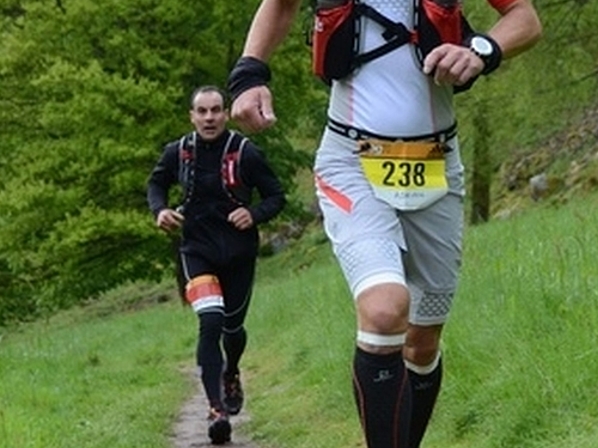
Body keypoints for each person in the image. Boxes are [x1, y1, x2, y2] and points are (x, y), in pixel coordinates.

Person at [227, 0, 541, 447]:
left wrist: (481, 50)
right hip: (351, 162)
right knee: (384, 307)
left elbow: (526, 19)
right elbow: (280, 5)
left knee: (422, 341)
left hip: (436, 162)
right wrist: (249, 76)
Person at [146, 85, 286, 445]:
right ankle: (215, 409)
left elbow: (276, 196)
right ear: (192, 116)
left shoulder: (245, 152)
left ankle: (232, 371)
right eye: (202, 111)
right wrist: (160, 210)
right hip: (196, 251)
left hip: (238, 254)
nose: (209, 118)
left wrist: (253, 213)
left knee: (232, 329)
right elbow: (156, 183)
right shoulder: (178, 152)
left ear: (225, 113)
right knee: (209, 322)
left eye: (216, 111)